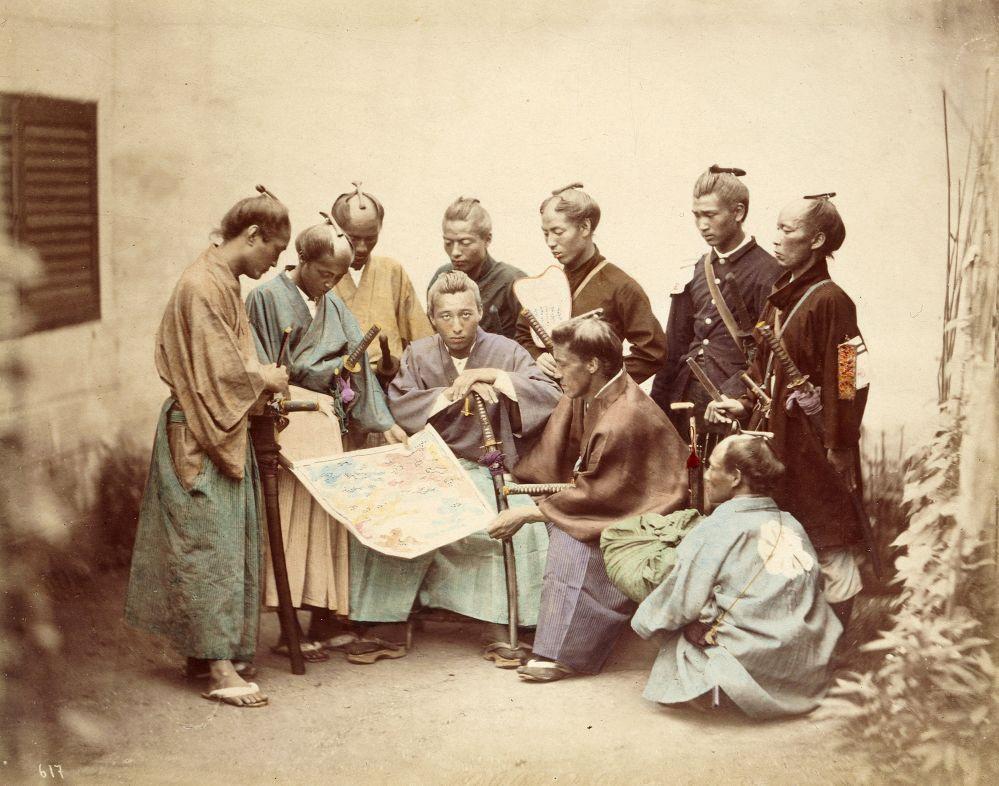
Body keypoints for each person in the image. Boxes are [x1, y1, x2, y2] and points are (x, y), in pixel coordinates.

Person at [125, 191, 292, 708]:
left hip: (216, 423)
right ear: (253, 235)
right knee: (206, 546)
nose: (275, 264)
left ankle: (210, 655)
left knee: (226, 540)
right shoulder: (202, 284)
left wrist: (259, 380)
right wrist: (265, 377)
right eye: (275, 250)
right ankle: (218, 668)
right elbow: (221, 372)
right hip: (198, 430)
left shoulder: (223, 279)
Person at [348, 271, 562, 665]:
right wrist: (452, 393)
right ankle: (388, 621)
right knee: (389, 513)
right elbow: (400, 404)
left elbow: (550, 394)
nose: (457, 325)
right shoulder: (418, 354)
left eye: (465, 314)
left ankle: (500, 622)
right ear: (432, 317)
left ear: (480, 312)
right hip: (432, 465)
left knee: (507, 523)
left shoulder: (508, 351)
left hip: (489, 466)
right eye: (445, 316)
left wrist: (495, 377)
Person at [487, 315, 688, 682]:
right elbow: (576, 469)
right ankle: (547, 636)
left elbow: (599, 498)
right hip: (612, 499)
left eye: (564, 364)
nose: (557, 373)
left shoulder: (622, 417)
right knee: (553, 523)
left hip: (646, 514)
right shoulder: (598, 390)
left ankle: (564, 653)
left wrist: (528, 514)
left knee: (571, 539)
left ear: (593, 364)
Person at [245, 219, 408, 662]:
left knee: (324, 523)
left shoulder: (331, 302)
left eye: (337, 276)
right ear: (302, 260)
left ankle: (323, 617)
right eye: (324, 274)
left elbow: (358, 363)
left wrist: (382, 420)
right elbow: (260, 365)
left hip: (326, 422)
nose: (331, 284)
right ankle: (288, 628)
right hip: (287, 418)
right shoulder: (265, 297)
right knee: (289, 522)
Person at [706, 195, 869, 627]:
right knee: (789, 540)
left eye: (788, 230)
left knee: (828, 539)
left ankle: (840, 644)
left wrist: (840, 442)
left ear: (817, 240)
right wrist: (742, 402)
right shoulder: (780, 298)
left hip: (818, 444)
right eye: (777, 228)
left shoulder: (831, 300)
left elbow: (849, 377)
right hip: (781, 440)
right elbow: (761, 366)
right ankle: (801, 637)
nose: (776, 238)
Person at [631, 434, 842, 719]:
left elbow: (679, 601)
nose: (706, 475)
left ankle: (732, 692)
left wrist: (647, 622)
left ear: (736, 477)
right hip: (806, 661)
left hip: (750, 659)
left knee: (680, 638)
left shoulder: (716, 527)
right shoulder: (792, 523)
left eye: (712, 467)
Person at [650, 166, 781, 451]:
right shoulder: (696, 269)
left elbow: (769, 356)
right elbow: (674, 346)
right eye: (697, 215)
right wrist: (656, 408)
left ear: (738, 212)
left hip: (733, 406)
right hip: (685, 402)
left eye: (710, 215)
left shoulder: (769, 272)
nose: (702, 225)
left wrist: (740, 398)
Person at [514, 183, 667, 383]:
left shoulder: (621, 286)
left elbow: (652, 352)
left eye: (558, 232)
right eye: (546, 233)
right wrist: (537, 356)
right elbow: (523, 336)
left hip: (596, 400)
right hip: (549, 394)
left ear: (585, 227)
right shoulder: (546, 284)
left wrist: (603, 384)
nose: (550, 242)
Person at [331, 182, 433, 386]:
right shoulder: (322, 275)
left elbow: (424, 341)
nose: (362, 248)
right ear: (335, 230)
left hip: (392, 384)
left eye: (371, 239)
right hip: (338, 384)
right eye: (353, 238)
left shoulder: (392, 271)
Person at [428, 196, 526, 338]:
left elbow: (530, 341)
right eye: (448, 242)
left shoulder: (513, 281)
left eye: (465, 243)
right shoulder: (441, 277)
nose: (455, 252)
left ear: (487, 239)